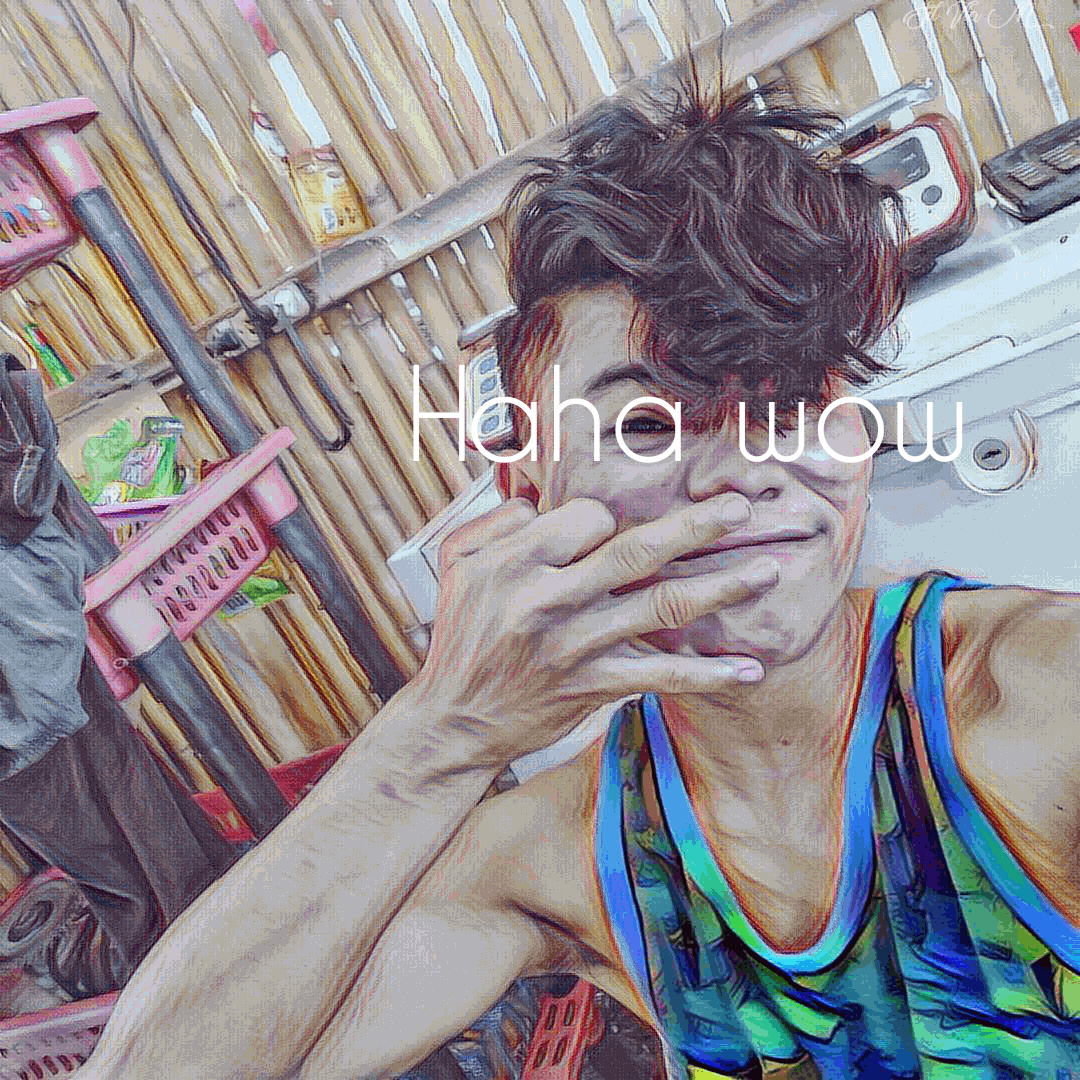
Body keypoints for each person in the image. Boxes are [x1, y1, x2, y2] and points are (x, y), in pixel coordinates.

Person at [77, 76, 1080, 1080]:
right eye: (646, 423)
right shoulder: (568, 853)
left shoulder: (1034, 696)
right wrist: (439, 734)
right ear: (529, 490)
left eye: (786, 402)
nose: (742, 467)